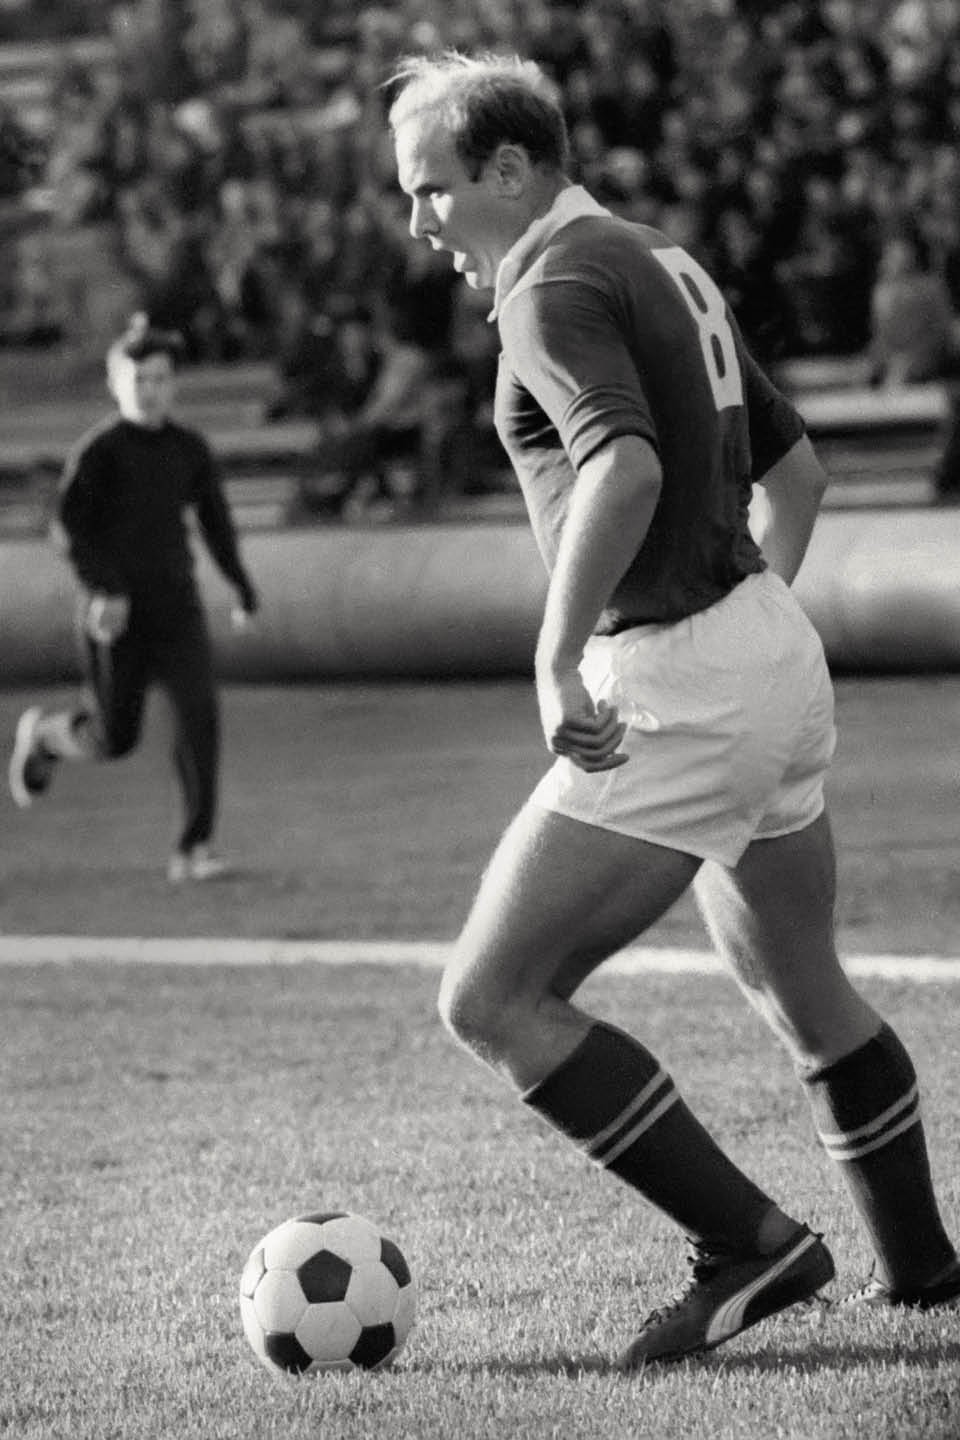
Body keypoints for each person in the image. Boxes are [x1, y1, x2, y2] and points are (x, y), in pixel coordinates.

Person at [387, 52, 960, 1369]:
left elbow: (625, 468)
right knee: (804, 988)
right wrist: (746, 636)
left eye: (431, 189)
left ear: (511, 170)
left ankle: (749, 1247)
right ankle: (925, 1269)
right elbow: (799, 478)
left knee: (493, 998)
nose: (418, 223)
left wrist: (557, 659)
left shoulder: (547, 285)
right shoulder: (657, 256)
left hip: (680, 672)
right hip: (766, 644)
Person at [7, 313, 259, 883]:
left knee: (200, 716)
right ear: (115, 385)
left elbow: (215, 524)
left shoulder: (190, 449)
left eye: (160, 379)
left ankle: (195, 848)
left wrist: (242, 587)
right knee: (115, 737)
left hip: (177, 606)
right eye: (138, 380)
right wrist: (107, 589)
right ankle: (46, 736)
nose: (150, 390)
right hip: (115, 616)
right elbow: (68, 531)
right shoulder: (100, 452)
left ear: (174, 385)